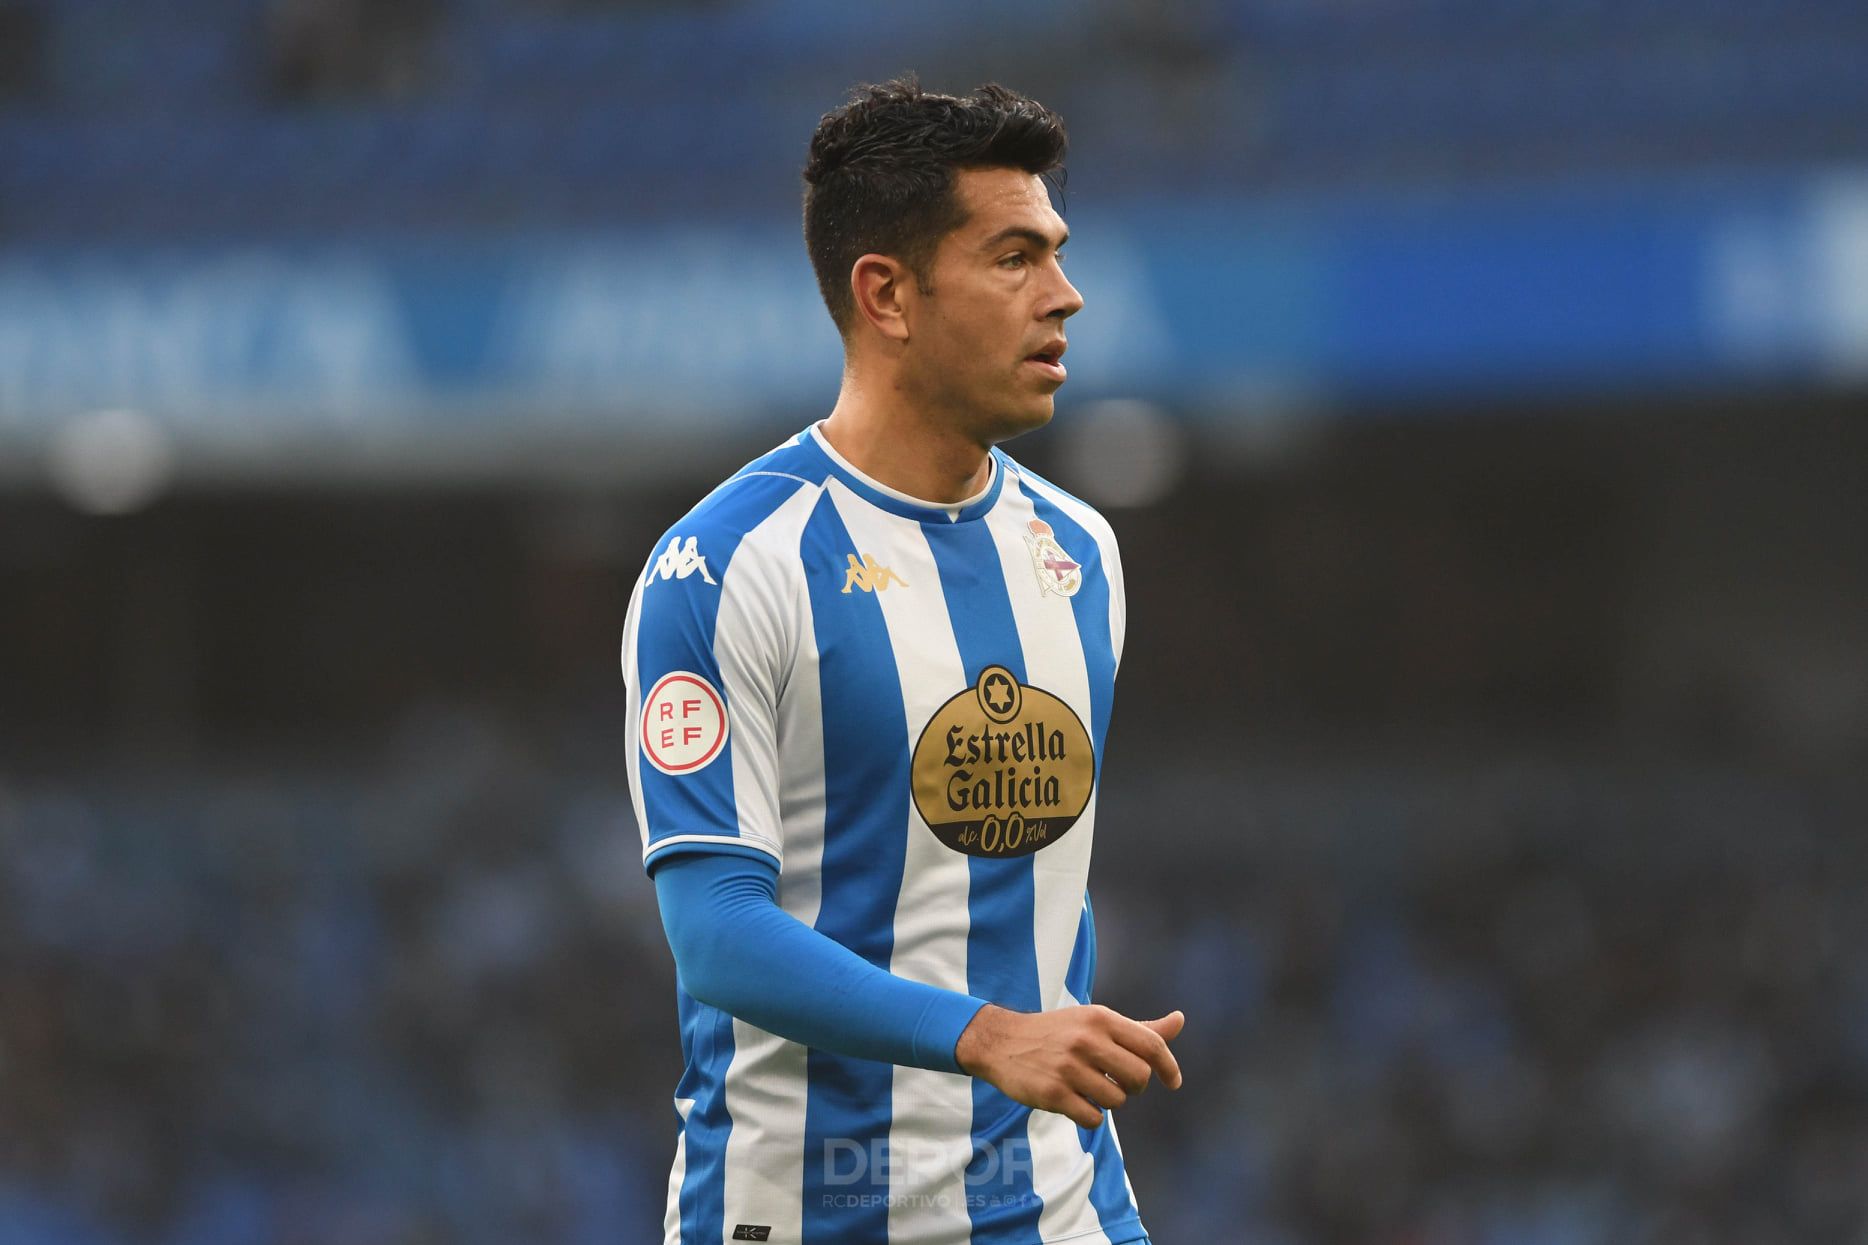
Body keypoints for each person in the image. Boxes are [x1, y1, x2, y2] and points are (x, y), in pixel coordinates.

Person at [623, 77, 1183, 1245]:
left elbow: (1042, 933)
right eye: (1014, 258)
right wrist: (985, 1035)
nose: (1066, 297)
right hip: (798, 1216)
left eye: (1057, 254)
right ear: (886, 293)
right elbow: (715, 927)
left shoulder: (1077, 552)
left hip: (1049, 1208)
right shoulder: (727, 566)